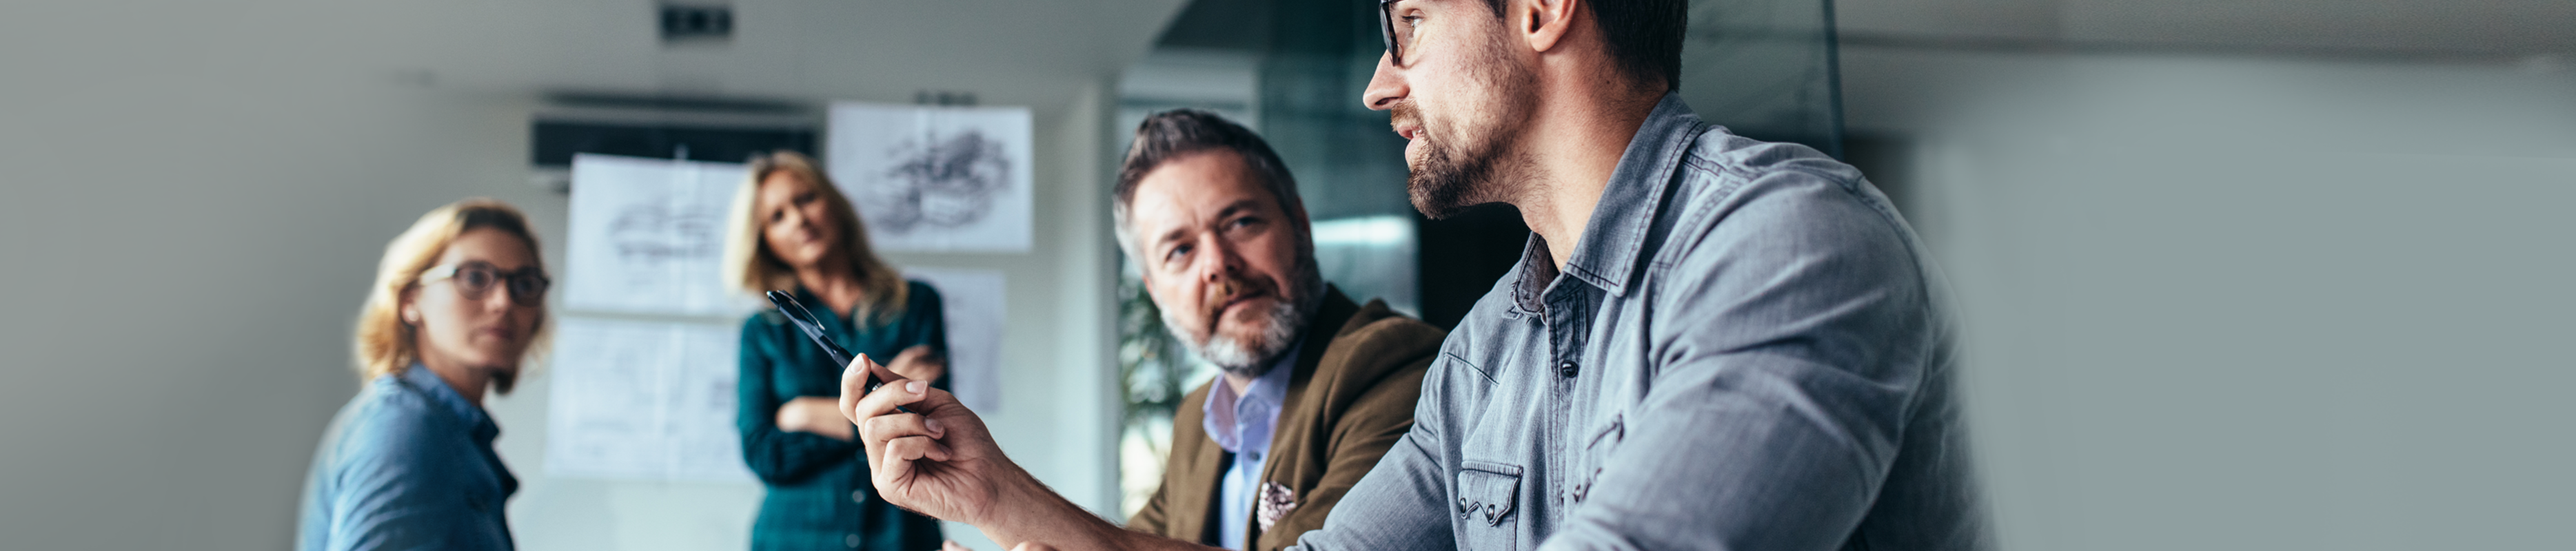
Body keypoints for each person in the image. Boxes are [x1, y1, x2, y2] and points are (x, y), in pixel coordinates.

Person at [838, 0, 1989, 550]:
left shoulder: (1789, 247)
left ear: (1540, 10)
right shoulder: (1489, 352)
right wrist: (989, 496)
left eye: (1409, 25)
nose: (1379, 86)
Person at [1110, 110, 1446, 550]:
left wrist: (1001, 495)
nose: (1217, 264)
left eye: (1240, 223)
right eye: (1180, 250)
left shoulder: (1393, 363)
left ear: (1300, 223)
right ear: (1155, 292)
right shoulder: (1199, 419)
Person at [726, 150, 953, 551]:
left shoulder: (916, 303)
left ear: (834, 203)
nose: (798, 219)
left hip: (900, 536)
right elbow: (764, 453)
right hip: (792, 538)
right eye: (777, 217)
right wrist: (878, 405)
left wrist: (800, 414)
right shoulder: (762, 332)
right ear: (765, 243)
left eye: (806, 199)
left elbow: (927, 426)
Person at [298, 198, 552, 551]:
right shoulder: (405, 427)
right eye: (475, 278)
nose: (503, 302)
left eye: (524, 285)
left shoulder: (451, 433)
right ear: (410, 300)